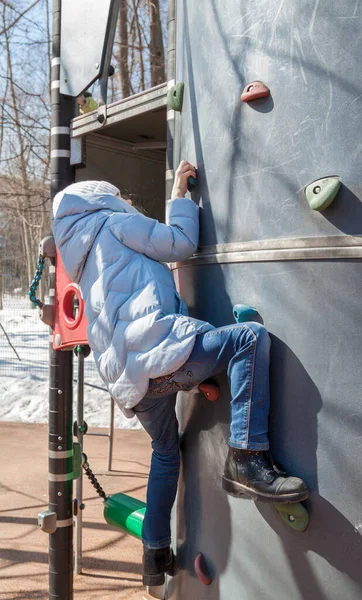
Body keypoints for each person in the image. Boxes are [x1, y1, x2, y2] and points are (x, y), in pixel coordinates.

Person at [52, 162, 308, 586]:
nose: (128, 203)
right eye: (123, 198)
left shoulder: (84, 264)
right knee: (249, 339)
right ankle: (246, 458)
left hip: (137, 383)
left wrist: (187, 372)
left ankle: (154, 553)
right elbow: (182, 243)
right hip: (159, 355)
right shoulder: (116, 224)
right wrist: (178, 194)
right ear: (105, 200)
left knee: (165, 454)